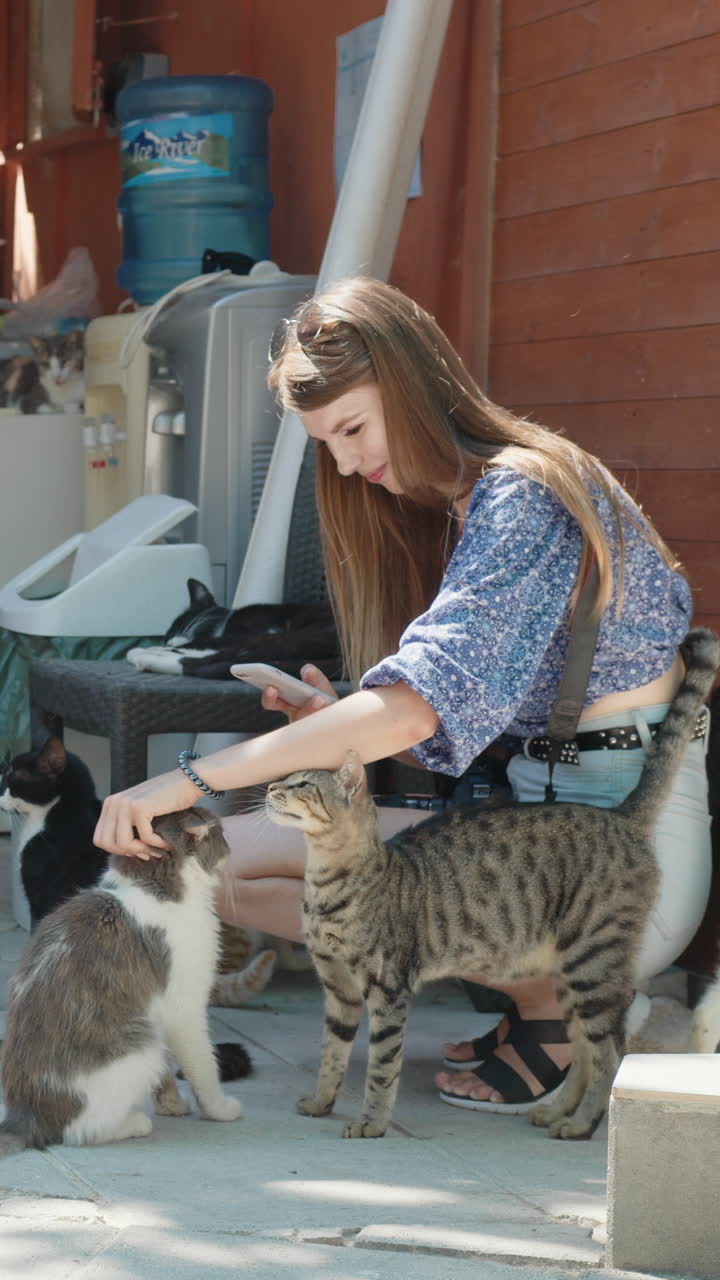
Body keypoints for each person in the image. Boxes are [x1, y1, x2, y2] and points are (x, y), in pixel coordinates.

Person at [94, 276, 711, 1116]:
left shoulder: (524, 497)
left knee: (229, 840)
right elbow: (451, 714)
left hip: (614, 870)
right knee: (207, 862)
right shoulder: (471, 501)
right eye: (328, 443)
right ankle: (550, 1008)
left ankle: (570, 1017)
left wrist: (190, 780)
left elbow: (419, 708)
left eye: (352, 428)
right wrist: (335, 721)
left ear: (413, 384)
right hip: (533, 827)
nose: (347, 463)